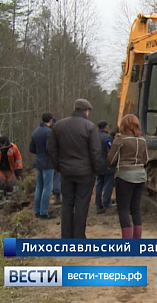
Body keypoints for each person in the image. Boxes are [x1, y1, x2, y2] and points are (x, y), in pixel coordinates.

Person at [48, 98, 101, 239]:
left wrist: (58, 166)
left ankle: (66, 236)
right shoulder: (90, 127)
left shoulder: (59, 126)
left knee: (67, 204)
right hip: (85, 172)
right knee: (81, 205)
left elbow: (52, 149)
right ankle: (79, 237)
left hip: (66, 172)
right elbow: (95, 152)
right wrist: (96, 170)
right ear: (86, 111)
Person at [108, 113, 149, 239]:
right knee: (135, 208)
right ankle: (137, 240)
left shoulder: (120, 139)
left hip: (124, 176)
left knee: (123, 209)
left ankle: (126, 241)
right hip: (140, 176)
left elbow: (111, 159)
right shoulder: (142, 140)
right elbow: (146, 160)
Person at [30, 112, 56, 219]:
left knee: (39, 188)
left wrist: (39, 153)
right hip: (47, 163)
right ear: (50, 120)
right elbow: (49, 148)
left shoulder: (35, 131)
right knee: (47, 188)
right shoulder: (49, 132)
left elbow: (31, 148)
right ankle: (44, 212)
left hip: (38, 161)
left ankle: (37, 210)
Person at [95, 120, 115, 214]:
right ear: (106, 127)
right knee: (108, 184)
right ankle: (106, 202)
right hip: (107, 165)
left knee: (99, 183)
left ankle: (97, 203)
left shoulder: (94, 136)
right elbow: (110, 150)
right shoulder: (107, 137)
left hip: (97, 164)